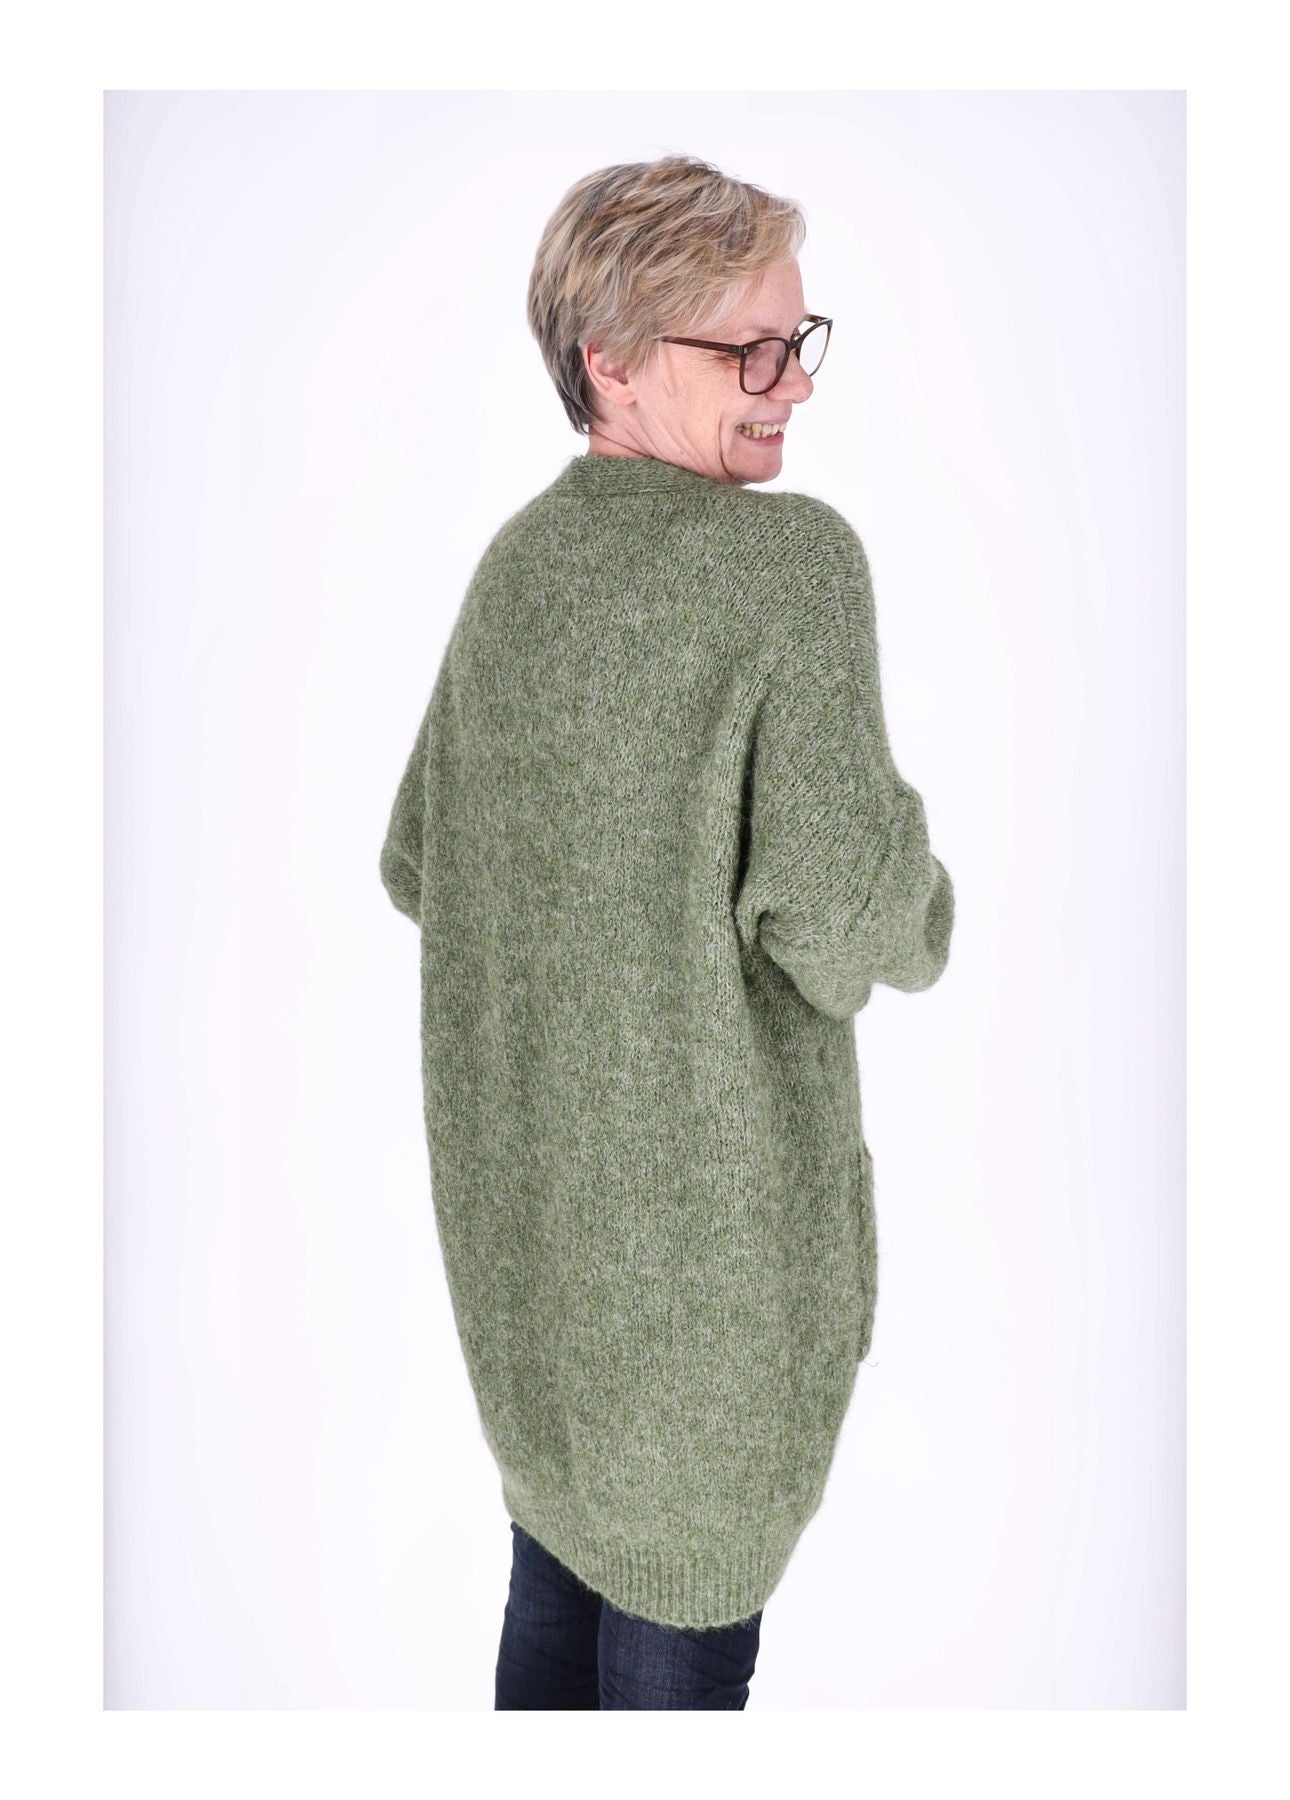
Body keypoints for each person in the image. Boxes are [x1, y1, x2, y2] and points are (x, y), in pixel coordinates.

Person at [379, 153, 955, 1710]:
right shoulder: (788, 567)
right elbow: (854, 929)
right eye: (746, 352)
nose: (791, 384)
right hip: (705, 1308)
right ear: (610, 364)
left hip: (534, 1294)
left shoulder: (521, 569)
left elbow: (420, 863)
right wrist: (921, 890)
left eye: (796, 341)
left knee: (551, 1613)